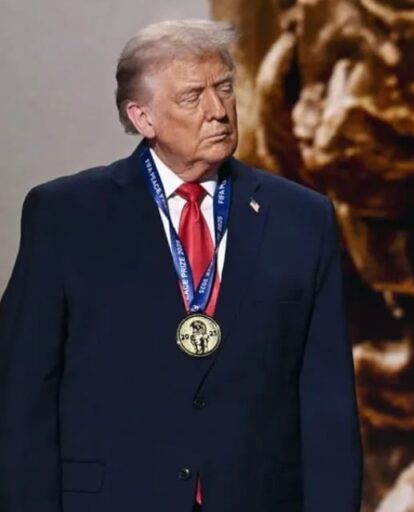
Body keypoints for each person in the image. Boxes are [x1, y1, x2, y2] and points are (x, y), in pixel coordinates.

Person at [0, 20, 362, 512]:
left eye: (224, 88)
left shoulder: (301, 218)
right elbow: (24, 397)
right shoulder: (66, 216)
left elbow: (327, 402)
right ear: (142, 117)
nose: (218, 111)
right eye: (193, 97)